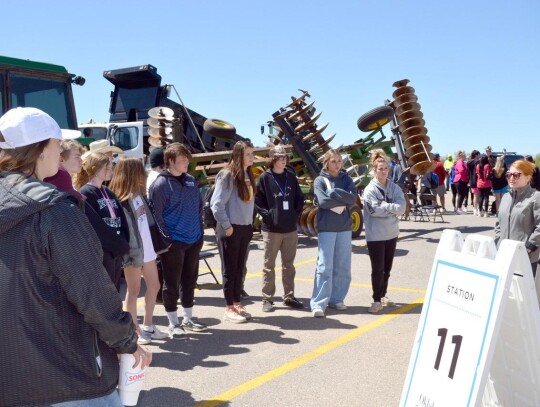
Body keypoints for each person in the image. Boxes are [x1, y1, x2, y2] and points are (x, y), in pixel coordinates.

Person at [0, 107, 151, 407]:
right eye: (57, 144)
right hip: (69, 377)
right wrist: (127, 342)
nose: (61, 152)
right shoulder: (55, 211)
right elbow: (92, 291)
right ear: (41, 150)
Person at [149, 143, 207, 337]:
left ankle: (188, 318)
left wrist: (199, 233)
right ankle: (173, 323)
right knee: (171, 283)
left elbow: (199, 207)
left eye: (187, 158)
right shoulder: (160, 184)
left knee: (190, 280)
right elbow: (156, 215)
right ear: (171, 161)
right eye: (182, 159)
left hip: (193, 239)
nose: (186, 162)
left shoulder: (190, 181)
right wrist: (168, 240)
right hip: (174, 243)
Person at [110, 157, 169, 345]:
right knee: (133, 290)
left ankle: (148, 325)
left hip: (147, 247)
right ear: (131, 173)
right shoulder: (121, 200)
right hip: (133, 250)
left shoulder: (139, 195)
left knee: (155, 285)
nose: (143, 173)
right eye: (140, 170)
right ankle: (134, 331)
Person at [255, 144, 305, 312]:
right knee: (269, 265)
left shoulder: (290, 176)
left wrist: (295, 214)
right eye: (280, 158)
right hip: (271, 230)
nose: (283, 160)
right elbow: (258, 201)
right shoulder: (265, 178)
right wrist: (268, 215)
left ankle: (289, 297)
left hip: (290, 229)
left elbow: (299, 197)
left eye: (285, 158)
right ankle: (267, 299)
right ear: (273, 160)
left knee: (289, 265)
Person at [211, 140, 256, 323]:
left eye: (252, 154)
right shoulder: (227, 174)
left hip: (245, 228)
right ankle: (228, 307)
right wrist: (227, 226)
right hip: (231, 228)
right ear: (238, 155)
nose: (252, 157)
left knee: (239, 268)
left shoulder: (247, 173)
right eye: (248, 154)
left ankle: (237, 303)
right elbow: (217, 204)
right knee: (229, 270)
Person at [310, 149, 356, 317]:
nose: (337, 164)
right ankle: (318, 303)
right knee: (324, 266)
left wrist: (334, 194)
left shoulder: (347, 179)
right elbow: (322, 201)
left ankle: (337, 299)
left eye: (339, 161)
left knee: (343, 266)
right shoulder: (320, 180)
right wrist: (341, 198)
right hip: (327, 228)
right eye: (333, 161)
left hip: (344, 227)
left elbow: (352, 199)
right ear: (326, 163)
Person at [75, 152, 130, 291]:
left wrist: (124, 242)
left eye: (112, 167)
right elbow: (95, 227)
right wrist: (115, 246)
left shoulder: (108, 191)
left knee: (115, 292)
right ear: (95, 168)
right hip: (103, 254)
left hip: (116, 252)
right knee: (104, 293)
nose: (111, 171)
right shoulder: (86, 193)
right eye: (107, 167)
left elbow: (121, 219)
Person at [363, 150, 406, 313]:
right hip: (376, 235)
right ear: (374, 170)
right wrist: (391, 209)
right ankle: (376, 300)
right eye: (380, 169)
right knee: (377, 269)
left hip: (391, 233)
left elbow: (402, 208)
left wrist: (386, 207)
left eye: (386, 168)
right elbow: (374, 211)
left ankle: (383, 295)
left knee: (387, 269)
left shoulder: (394, 188)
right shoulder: (370, 190)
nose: (383, 171)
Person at [494, 159, 540, 277]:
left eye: (516, 175)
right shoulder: (505, 197)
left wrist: (529, 247)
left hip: (525, 258)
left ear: (528, 177)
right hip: (504, 255)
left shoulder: (535, 198)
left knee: (524, 294)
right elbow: (499, 223)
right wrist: (499, 241)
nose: (511, 178)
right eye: (509, 175)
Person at [467, 150, 481, 215]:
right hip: (477, 180)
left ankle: (475, 209)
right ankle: (478, 208)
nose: (480, 156)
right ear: (476, 155)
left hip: (471, 180)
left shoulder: (468, 162)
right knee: (478, 195)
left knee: (475, 195)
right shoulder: (478, 162)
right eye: (479, 154)